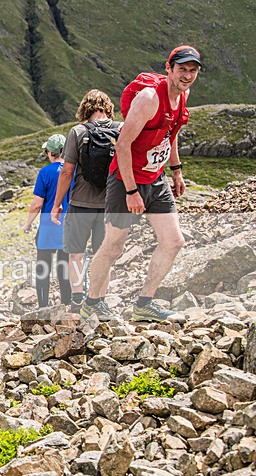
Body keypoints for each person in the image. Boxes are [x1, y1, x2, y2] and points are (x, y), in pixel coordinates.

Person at [81, 46, 200, 322]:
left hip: (155, 177)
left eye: (192, 70)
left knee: (173, 241)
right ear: (169, 68)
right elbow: (122, 145)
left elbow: (170, 134)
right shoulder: (149, 99)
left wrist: (177, 170)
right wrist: (132, 191)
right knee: (114, 247)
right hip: (126, 179)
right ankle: (92, 302)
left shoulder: (183, 95)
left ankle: (145, 303)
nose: (187, 75)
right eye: (182, 69)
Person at [50, 90, 121, 311]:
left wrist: (57, 203)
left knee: (76, 254)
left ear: (85, 109)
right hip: (110, 205)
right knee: (105, 255)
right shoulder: (120, 129)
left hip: (80, 203)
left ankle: (78, 298)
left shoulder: (78, 132)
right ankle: (99, 301)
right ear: (108, 107)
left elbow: (66, 172)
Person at [23, 134, 71, 308]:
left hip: (48, 226)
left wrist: (28, 223)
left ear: (51, 152)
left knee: (43, 267)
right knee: (64, 266)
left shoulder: (45, 172)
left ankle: (43, 306)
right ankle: (67, 304)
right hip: (69, 225)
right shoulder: (73, 171)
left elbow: (37, 204)